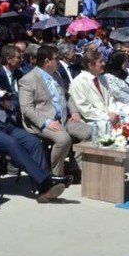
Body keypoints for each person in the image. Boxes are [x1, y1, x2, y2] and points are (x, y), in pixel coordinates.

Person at [0, 49, 67, 202]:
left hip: (3, 124)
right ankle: (46, 181)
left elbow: (15, 97)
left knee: (33, 142)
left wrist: (10, 104)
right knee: (12, 144)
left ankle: (43, 190)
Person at [18, 45, 89, 181]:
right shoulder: (28, 80)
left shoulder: (56, 75)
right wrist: (47, 122)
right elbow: (27, 109)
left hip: (63, 119)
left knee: (91, 133)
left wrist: (74, 111)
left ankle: (76, 168)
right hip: (42, 121)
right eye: (56, 59)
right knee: (63, 139)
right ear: (47, 61)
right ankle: (57, 175)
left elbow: (66, 96)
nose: (59, 61)